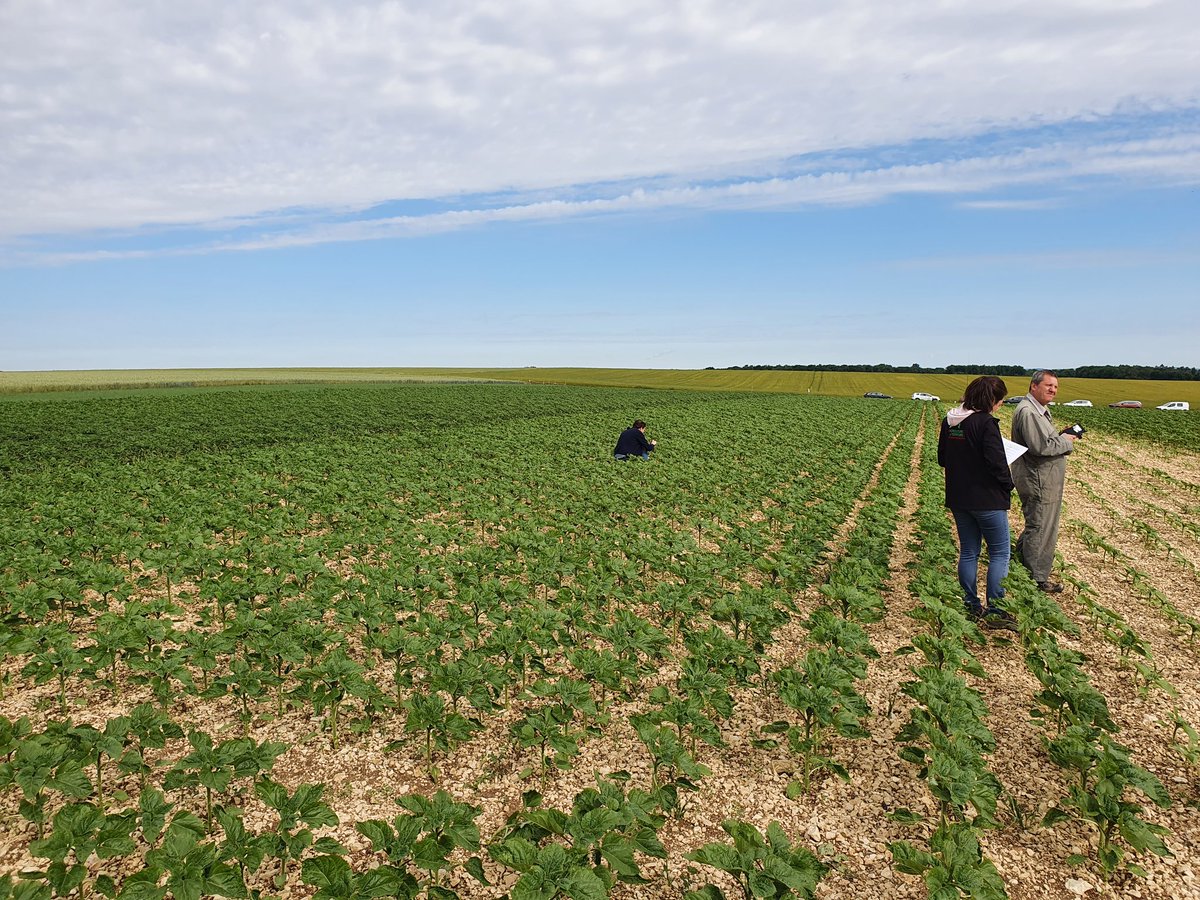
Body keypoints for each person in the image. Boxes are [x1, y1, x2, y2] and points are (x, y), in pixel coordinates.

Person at [937, 375, 1017, 630]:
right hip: (987, 499)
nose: (1000, 405)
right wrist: (1009, 484)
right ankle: (996, 610)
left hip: (959, 498)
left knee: (969, 551)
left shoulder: (950, 421)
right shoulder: (985, 423)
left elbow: (942, 459)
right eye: (1001, 400)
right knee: (1000, 553)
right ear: (992, 400)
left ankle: (971, 605)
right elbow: (996, 463)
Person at [1010, 370, 1078, 592]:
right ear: (1033, 387)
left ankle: (1020, 564)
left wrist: (1059, 438)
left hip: (1043, 477)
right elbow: (1041, 447)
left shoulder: (1039, 410)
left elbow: (1043, 441)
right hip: (1037, 477)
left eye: (1056, 387)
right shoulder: (1029, 412)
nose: (1053, 390)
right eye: (1048, 385)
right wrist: (1066, 441)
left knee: (1038, 523)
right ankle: (1036, 578)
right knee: (1040, 525)